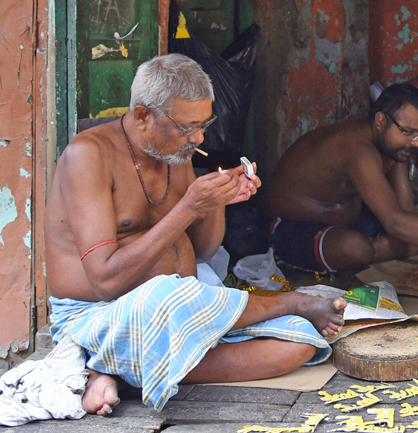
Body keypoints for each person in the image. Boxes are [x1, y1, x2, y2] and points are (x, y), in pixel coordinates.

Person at [45, 54, 347, 415]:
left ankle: (121, 374)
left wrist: (218, 200)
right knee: (168, 294)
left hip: (185, 312)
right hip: (101, 315)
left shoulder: (177, 152)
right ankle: (290, 301)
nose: (199, 138)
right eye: (187, 127)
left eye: (204, 124)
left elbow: (203, 251)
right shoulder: (88, 155)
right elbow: (105, 281)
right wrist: (189, 206)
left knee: (298, 343)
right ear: (143, 117)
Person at [262, 83, 418, 275]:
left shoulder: (394, 149)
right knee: (356, 248)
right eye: (408, 132)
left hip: (346, 222)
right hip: (289, 226)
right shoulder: (357, 148)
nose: (415, 143)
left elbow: (405, 209)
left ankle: (368, 251)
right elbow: (395, 222)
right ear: (381, 120)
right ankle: (366, 252)